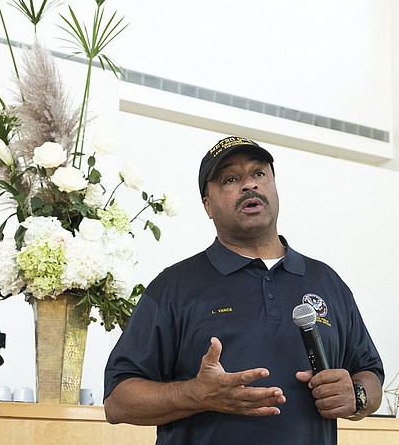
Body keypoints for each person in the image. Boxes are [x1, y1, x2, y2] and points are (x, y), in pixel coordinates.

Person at [104, 136, 384, 445]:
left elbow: (369, 375)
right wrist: (196, 395)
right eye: (230, 179)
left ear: (274, 186)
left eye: (259, 174)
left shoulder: (327, 281)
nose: (249, 185)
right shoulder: (173, 287)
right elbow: (117, 401)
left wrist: (356, 396)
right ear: (208, 205)